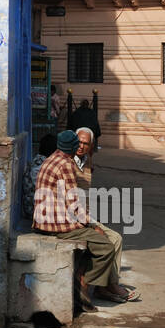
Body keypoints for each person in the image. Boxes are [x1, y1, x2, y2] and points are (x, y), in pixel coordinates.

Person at [34, 129, 137, 306]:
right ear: (73, 148)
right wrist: (90, 224)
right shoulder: (65, 164)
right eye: (78, 144)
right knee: (105, 245)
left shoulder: (52, 159)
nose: (80, 148)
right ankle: (83, 280)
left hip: (48, 219)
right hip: (57, 224)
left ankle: (98, 282)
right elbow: (73, 203)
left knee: (102, 239)